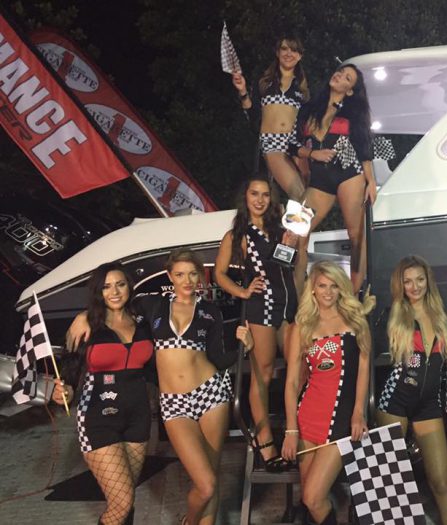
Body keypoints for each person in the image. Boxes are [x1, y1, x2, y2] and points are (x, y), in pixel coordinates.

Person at [68, 249, 236, 525]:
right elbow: (114, 304)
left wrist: (243, 346)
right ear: (169, 276)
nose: (187, 280)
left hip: (211, 393)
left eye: (193, 274)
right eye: (179, 274)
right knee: (204, 484)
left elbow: (217, 358)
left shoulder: (210, 311)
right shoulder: (151, 305)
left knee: (211, 478)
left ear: (201, 277)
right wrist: (84, 315)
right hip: (173, 402)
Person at [53, 262, 153, 525]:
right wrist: (65, 390)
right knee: (121, 503)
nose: (115, 292)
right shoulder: (87, 325)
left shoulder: (143, 320)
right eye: (106, 287)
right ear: (98, 292)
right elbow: (70, 369)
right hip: (98, 418)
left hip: (138, 418)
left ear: (129, 286)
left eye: (120, 284)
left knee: (127, 499)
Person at [280, 261, 374, 525]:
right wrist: (291, 430)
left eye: (334, 286)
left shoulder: (356, 321)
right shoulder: (301, 326)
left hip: (341, 418)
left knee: (313, 497)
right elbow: (291, 383)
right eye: (322, 286)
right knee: (308, 499)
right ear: (312, 288)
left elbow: (363, 370)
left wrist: (358, 413)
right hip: (307, 416)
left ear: (342, 288)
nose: (328, 292)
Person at [214, 175, 297, 471]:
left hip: (289, 305)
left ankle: (298, 434)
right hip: (261, 307)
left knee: (299, 367)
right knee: (263, 374)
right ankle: (266, 444)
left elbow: (288, 267)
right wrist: (243, 292)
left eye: (265, 194)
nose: (260, 200)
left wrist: (292, 244)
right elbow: (219, 274)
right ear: (245, 197)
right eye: (254, 194)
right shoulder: (237, 235)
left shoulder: (281, 228)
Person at [375, 255, 447, 525]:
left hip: (430, 406)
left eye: (420, 280)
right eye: (408, 281)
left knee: (442, 483)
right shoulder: (391, 315)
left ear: (428, 281)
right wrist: (362, 315)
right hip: (394, 402)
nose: (415, 287)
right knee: (391, 485)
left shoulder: (442, 316)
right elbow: (366, 353)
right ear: (399, 285)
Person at [291, 64, 377, 294]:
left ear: (350, 90)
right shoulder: (310, 108)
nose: (339, 76)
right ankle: (297, 296)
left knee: (356, 235)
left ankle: (353, 296)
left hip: (349, 173)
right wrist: (310, 154)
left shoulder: (353, 112)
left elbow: (363, 147)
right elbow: (293, 145)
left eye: (347, 78)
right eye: (340, 72)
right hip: (319, 180)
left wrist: (370, 181)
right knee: (295, 231)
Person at [232, 37, 309, 200]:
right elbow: (252, 114)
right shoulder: (265, 83)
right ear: (277, 52)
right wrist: (243, 91)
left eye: (294, 50)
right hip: (272, 143)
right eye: (284, 49)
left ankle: (283, 216)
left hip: (294, 144)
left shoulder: (302, 87)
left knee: (310, 194)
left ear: (300, 56)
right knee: (300, 195)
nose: (289, 53)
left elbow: (305, 121)